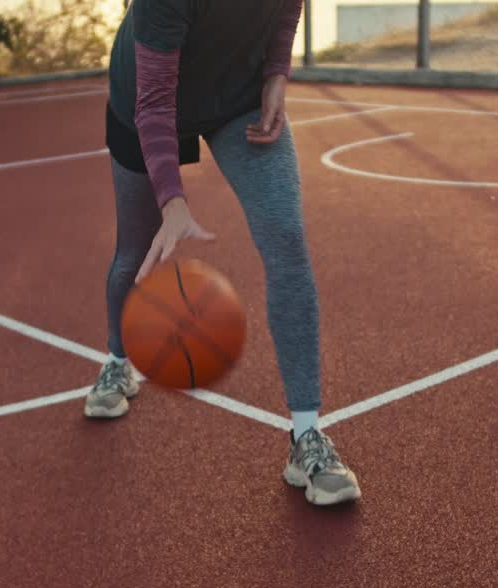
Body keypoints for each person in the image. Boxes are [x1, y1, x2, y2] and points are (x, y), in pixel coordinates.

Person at [84, 0, 360, 506]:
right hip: (144, 101)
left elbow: (287, 9)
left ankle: (306, 438)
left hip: (238, 97)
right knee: (134, 253)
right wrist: (172, 201)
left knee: (286, 238)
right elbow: (154, 105)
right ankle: (117, 360)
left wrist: (277, 73)